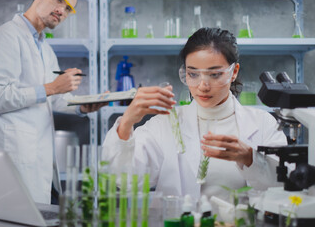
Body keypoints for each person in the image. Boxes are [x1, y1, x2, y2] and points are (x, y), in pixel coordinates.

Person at [102, 27, 287, 202]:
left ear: (233, 72)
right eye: (193, 74)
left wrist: (249, 158)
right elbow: (126, 182)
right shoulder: (165, 124)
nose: (202, 86)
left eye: (214, 75)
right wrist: (127, 122)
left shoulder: (263, 123)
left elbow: (282, 186)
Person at [0, 0, 105, 204]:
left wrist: (82, 107)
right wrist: (52, 87)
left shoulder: (45, 48)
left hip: (39, 160)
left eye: (68, 8)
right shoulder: (4, 36)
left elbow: (52, 99)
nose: (62, 11)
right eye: (58, 0)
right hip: (11, 161)